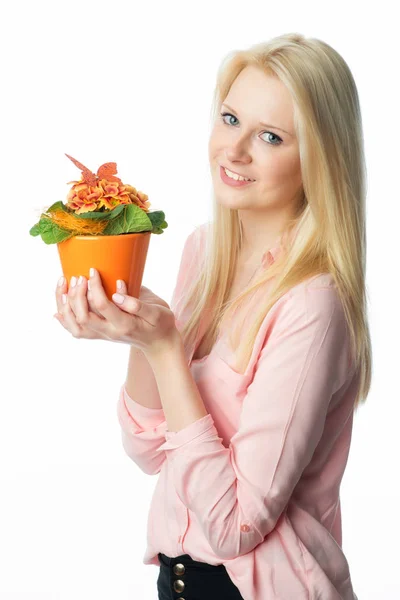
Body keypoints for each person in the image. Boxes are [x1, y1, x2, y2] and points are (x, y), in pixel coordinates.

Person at [54, 32, 368, 600]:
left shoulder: (312, 304)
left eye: (270, 136)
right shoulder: (204, 251)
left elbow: (234, 526)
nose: (235, 150)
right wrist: (141, 333)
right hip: (176, 583)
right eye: (229, 119)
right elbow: (147, 448)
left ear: (319, 159)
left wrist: (167, 348)